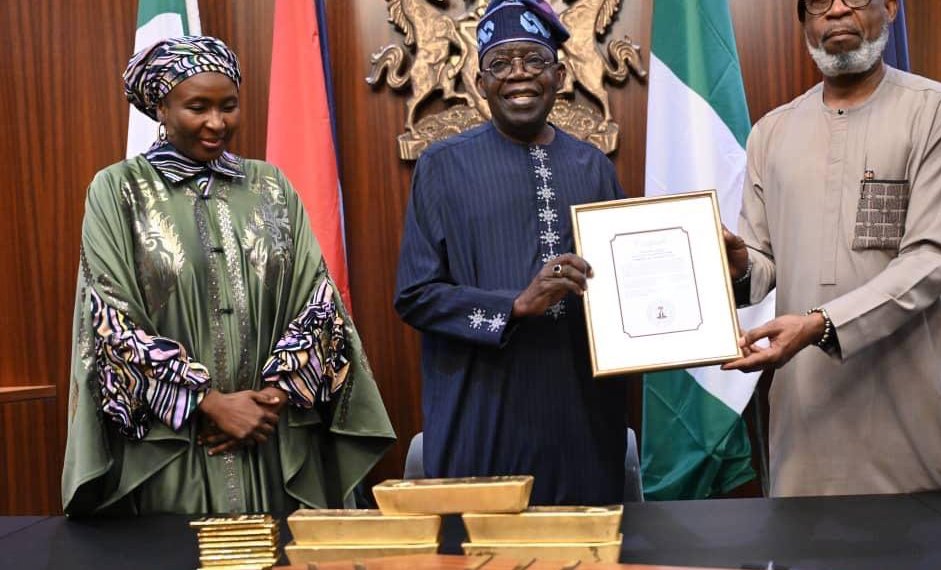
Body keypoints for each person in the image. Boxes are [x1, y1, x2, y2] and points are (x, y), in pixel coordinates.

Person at [62, 36, 395, 515]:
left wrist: (269, 400)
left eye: (229, 106)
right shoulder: (117, 190)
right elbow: (110, 318)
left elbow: (318, 303)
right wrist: (209, 403)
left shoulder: (272, 185)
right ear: (160, 106)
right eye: (197, 107)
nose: (217, 123)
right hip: (173, 444)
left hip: (271, 440)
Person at [721, 0, 941, 496]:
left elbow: (931, 258)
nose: (836, 13)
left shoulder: (940, 112)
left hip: (918, 403)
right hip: (808, 406)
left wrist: (822, 324)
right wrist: (743, 265)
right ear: (804, 20)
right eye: (818, 4)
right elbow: (764, 262)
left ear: (890, 8)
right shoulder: (771, 132)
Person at [394, 0, 627, 505]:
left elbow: (623, 283)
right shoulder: (442, 166)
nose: (518, 75)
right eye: (501, 64)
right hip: (482, 413)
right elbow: (415, 295)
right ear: (480, 83)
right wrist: (513, 306)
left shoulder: (593, 167)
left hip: (581, 418)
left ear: (560, 75)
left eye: (534, 61)